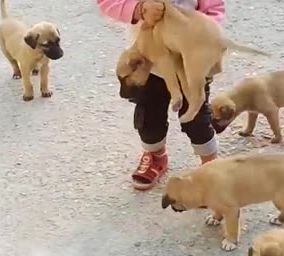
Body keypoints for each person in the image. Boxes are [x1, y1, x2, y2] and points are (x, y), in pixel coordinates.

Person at [97, 0, 226, 190]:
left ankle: (210, 164)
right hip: (149, 64)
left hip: (190, 62)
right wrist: (139, 9)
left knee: (196, 117)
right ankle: (156, 155)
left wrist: (205, 35)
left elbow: (215, 9)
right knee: (148, 117)